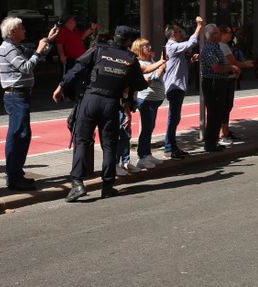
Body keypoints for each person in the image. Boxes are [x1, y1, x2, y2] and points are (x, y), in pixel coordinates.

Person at [54, 25, 148, 202]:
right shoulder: (130, 58)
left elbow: (77, 68)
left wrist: (61, 86)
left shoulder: (98, 50)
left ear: (115, 36)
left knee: (81, 141)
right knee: (109, 145)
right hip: (111, 103)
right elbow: (141, 85)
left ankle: (77, 184)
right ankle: (107, 186)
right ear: (128, 41)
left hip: (90, 99)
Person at [0, 16, 59, 192]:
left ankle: (16, 173)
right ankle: (14, 177)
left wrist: (48, 40)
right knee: (19, 135)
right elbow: (26, 67)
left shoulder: (16, 47)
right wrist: (39, 51)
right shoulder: (8, 49)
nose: (24, 30)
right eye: (21, 28)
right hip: (15, 96)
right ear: (12, 32)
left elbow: (37, 56)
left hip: (20, 96)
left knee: (22, 134)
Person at [162, 18, 203, 159]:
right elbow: (191, 43)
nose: (181, 33)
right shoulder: (172, 46)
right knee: (173, 118)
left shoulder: (174, 47)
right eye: (179, 31)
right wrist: (199, 26)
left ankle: (172, 146)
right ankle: (169, 148)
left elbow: (180, 67)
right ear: (173, 34)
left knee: (175, 118)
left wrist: (191, 61)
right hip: (174, 86)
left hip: (177, 85)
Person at [200, 24, 242, 152]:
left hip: (218, 82)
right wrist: (231, 68)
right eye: (218, 33)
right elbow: (216, 67)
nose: (220, 35)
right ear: (212, 35)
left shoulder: (216, 47)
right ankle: (210, 143)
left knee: (218, 113)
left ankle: (213, 141)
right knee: (214, 113)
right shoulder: (209, 49)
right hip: (213, 83)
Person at [130, 38, 167, 169]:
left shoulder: (149, 60)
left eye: (149, 45)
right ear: (139, 49)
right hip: (147, 100)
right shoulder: (140, 63)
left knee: (150, 127)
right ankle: (142, 157)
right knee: (146, 128)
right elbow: (151, 77)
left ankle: (147, 153)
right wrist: (161, 66)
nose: (149, 47)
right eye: (146, 46)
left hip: (154, 99)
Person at [218, 25, 254, 145]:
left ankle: (225, 131)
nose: (231, 35)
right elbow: (233, 61)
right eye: (228, 32)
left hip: (226, 78)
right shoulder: (223, 46)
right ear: (222, 33)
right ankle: (223, 133)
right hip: (225, 79)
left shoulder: (221, 45)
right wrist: (246, 65)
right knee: (225, 106)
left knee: (225, 106)